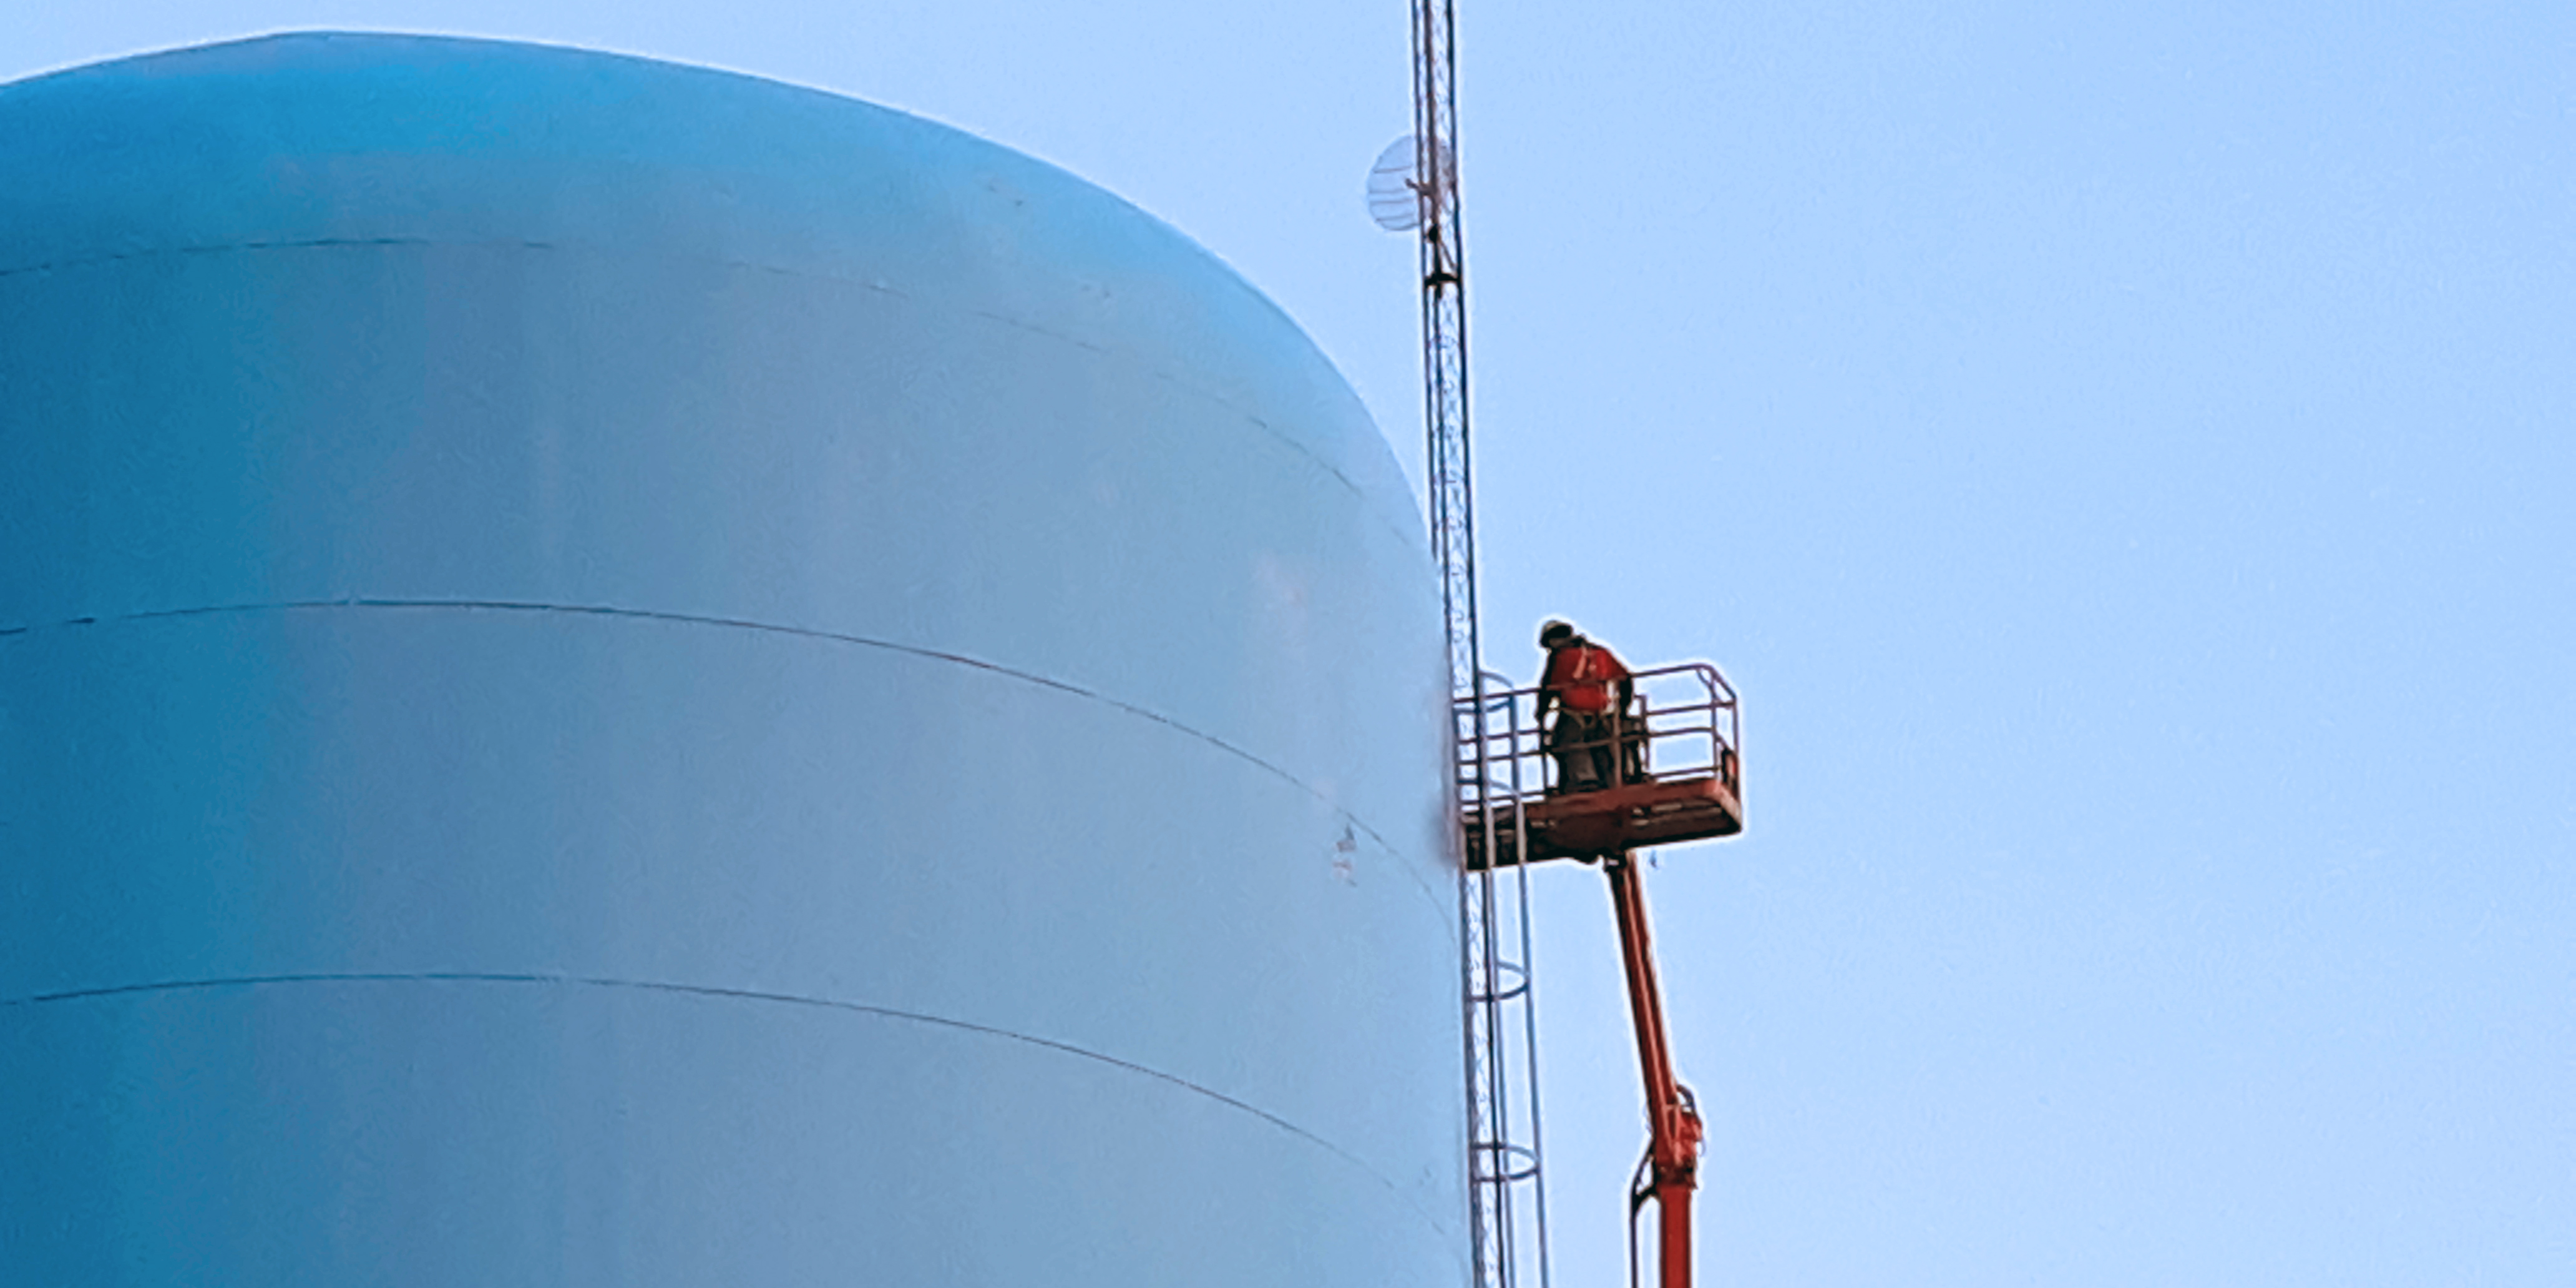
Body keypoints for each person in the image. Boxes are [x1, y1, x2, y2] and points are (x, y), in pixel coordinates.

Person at [1535, 619, 1635, 794]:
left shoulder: (1559, 657)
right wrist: (1624, 710)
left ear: (1553, 640)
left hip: (1574, 713)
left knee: (1566, 742)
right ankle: (1618, 779)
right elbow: (1626, 679)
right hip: (1604, 713)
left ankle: (1582, 781)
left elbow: (1547, 688)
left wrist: (1541, 713)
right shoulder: (1600, 652)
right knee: (1606, 747)